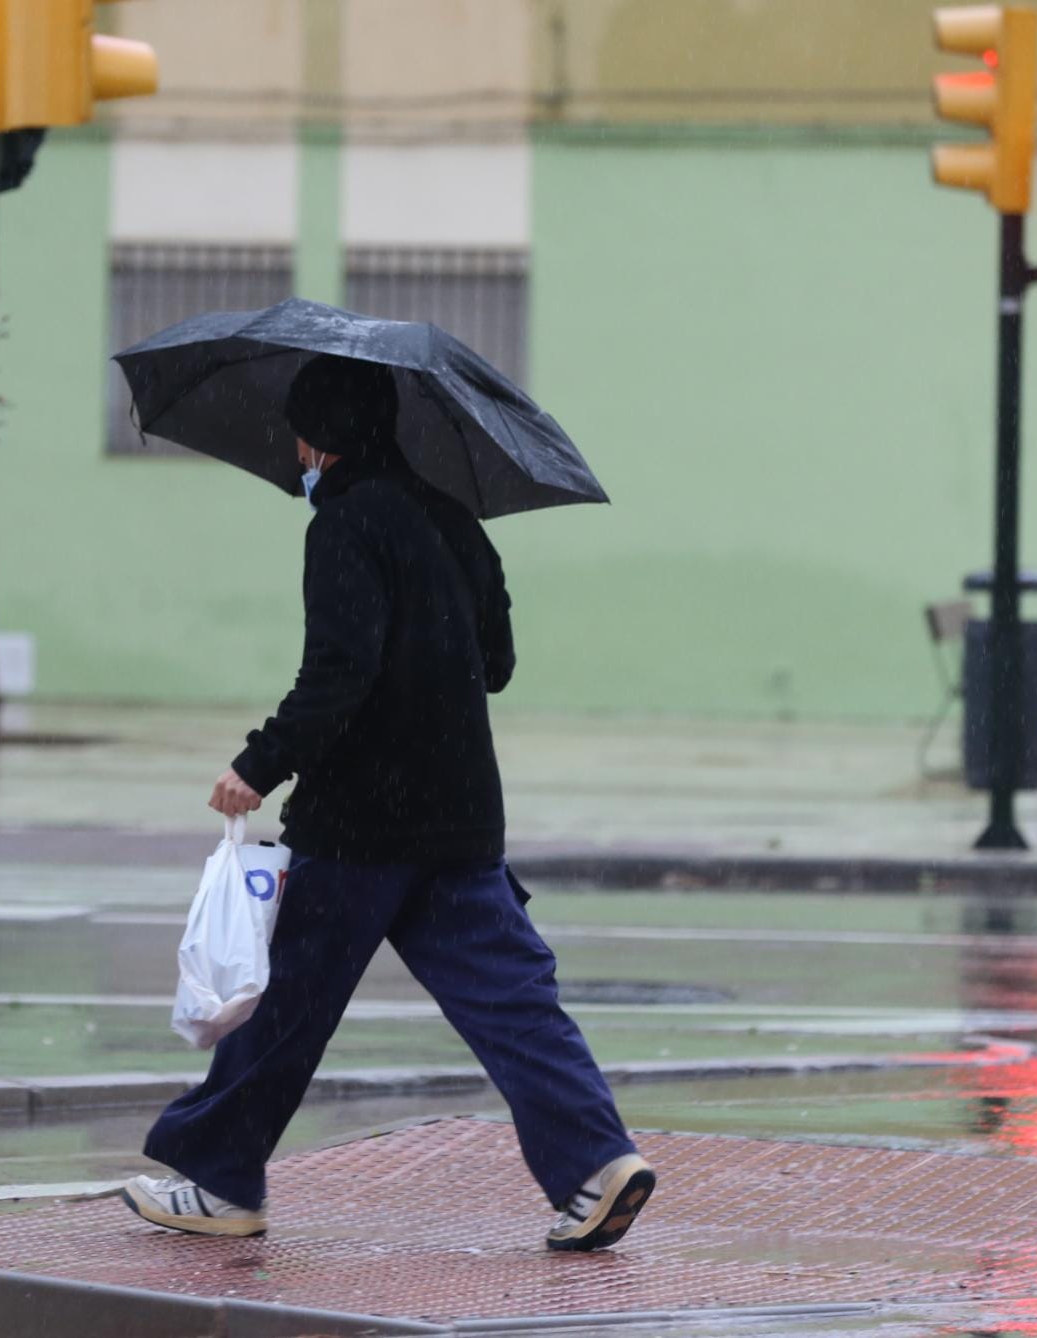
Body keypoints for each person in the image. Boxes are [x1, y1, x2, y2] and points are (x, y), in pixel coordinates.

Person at [120, 353, 654, 1252]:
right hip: (461, 812)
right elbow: (499, 664)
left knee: (284, 1002)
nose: (295, 450)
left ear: (321, 440)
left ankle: (219, 1182)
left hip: (361, 823)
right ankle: (600, 1165)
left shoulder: (343, 526)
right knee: (512, 1000)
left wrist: (259, 764)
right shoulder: (454, 521)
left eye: (300, 432)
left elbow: (340, 671)